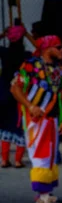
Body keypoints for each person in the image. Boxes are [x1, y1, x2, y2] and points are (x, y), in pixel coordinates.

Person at [10, 36, 62, 203]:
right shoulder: (30, 66)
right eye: (58, 47)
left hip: (52, 120)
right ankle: (42, 197)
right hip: (35, 120)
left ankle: (46, 192)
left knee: (50, 156)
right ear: (47, 48)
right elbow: (15, 88)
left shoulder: (59, 70)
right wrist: (30, 106)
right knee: (40, 156)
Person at [0, 23, 28, 168]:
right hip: (20, 94)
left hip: (4, 93)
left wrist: (3, 35)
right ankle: (18, 160)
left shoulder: (4, 53)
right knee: (19, 126)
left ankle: (4, 159)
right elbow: (42, 50)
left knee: (5, 126)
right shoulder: (26, 56)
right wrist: (27, 34)